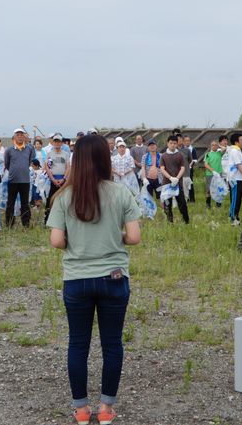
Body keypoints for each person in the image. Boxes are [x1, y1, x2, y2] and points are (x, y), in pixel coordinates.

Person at [47, 134, 141, 425]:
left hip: (77, 280)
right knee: (112, 344)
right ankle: (106, 409)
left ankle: (81, 410)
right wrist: (115, 236)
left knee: (78, 344)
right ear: (106, 158)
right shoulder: (121, 192)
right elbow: (134, 237)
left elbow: (57, 241)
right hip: (114, 278)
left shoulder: (64, 196)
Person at [4, 128, 34, 228]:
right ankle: (9, 224)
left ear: (24, 137)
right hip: (13, 180)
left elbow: (30, 161)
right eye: (18, 135)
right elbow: (7, 164)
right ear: (14, 137)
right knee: (10, 203)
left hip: (25, 180)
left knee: (25, 203)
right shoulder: (9, 149)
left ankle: (26, 224)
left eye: (22, 135)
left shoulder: (29, 149)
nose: (20, 137)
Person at [159, 135, 190, 224]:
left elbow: (183, 168)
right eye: (171, 143)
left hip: (178, 183)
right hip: (167, 183)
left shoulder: (180, 155)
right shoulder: (164, 156)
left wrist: (177, 178)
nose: (172, 145)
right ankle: (170, 221)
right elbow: (162, 168)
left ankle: (186, 221)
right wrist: (170, 178)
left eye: (174, 143)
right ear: (167, 144)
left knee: (182, 202)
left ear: (177, 144)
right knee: (167, 204)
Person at [44, 134, 71, 223]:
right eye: (55, 141)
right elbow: (47, 167)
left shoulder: (66, 154)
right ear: (53, 142)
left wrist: (63, 179)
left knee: (64, 200)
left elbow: (68, 167)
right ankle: (47, 220)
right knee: (50, 199)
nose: (57, 143)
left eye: (59, 141)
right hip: (52, 180)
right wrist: (53, 179)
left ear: (61, 143)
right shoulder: (49, 154)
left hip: (63, 180)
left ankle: (65, 220)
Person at [226, 133, 242, 225]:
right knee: (235, 199)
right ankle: (233, 218)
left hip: (239, 178)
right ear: (236, 142)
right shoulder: (234, 151)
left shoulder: (237, 151)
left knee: (238, 198)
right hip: (235, 179)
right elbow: (239, 165)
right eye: (241, 140)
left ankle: (235, 217)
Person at [203, 141, 223, 208]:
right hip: (210, 174)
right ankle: (208, 204)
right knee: (209, 190)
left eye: (215, 145)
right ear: (210, 146)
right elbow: (206, 164)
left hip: (219, 174)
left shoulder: (220, 153)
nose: (214, 146)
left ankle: (218, 204)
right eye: (212, 145)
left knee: (218, 189)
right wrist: (213, 171)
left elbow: (225, 149)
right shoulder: (208, 154)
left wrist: (220, 146)